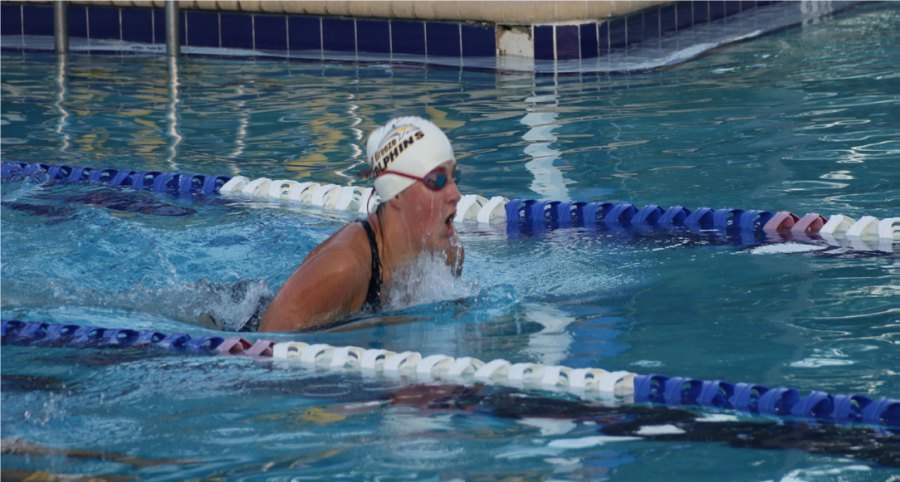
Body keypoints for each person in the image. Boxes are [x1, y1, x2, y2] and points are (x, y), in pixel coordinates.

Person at [259, 117, 464, 332]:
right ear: (396, 194)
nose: (456, 194)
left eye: (454, 176)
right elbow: (264, 346)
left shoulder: (448, 254)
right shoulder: (343, 267)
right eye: (437, 181)